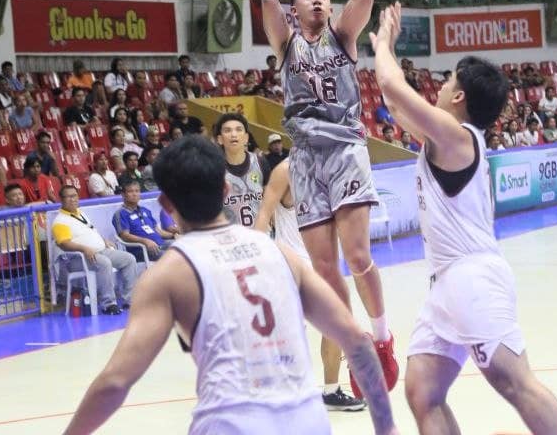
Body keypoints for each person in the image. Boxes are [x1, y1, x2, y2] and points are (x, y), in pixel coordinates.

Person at [62, 136, 398, 435]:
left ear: (164, 204)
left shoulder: (167, 274)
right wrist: (387, 426)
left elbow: (116, 382)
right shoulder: (280, 253)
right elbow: (356, 341)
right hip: (307, 421)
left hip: (232, 422)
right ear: (225, 189)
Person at [372, 2, 557, 435]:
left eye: (446, 82)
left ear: (459, 97)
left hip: (472, 276)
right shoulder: (444, 135)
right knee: (422, 390)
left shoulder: (456, 135)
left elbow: (390, 80)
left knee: (515, 382)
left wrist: (384, 39)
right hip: (445, 281)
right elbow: (392, 98)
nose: (440, 88)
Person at [261, 0, 398, 393]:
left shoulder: (343, 37)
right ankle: (355, 342)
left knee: (358, 255)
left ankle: (382, 338)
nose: (318, 0)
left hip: (344, 150)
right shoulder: (285, 42)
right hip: (304, 157)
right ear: (294, 11)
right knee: (323, 267)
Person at [255, 158, 366, 412]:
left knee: (336, 328)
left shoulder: (334, 166)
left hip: (325, 267)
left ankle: (330, 390)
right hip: (291, 265)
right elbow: (264, 213)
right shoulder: (284, 171)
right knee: (286, 334)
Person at [52, 185, 137, 315]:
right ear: (61, 200)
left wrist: (104, 241)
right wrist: (84, 248)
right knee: (104, 263)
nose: (73, 199)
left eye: (74, 195)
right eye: (68, 197)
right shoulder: (60, 221)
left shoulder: (81, 213)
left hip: (99, 251)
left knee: (128, 259)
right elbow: (64, 244)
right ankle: (109, 304)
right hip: (77, 259)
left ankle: (130, 300)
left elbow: (92, 231)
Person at [216, 113, 270, 227]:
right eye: (227, 130)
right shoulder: (213, 168)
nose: (233, 134)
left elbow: (269, 200)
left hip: (261, 235)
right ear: (220, 139)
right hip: (230, 238)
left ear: (246, 138)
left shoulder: (260, 162)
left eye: (238, 129)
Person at [113, 181, 174, 258]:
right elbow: (125, 236)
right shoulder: (120, 214)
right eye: (130, 191)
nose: (134, 194)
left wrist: (174, 235)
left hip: (161, 243)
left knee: (182, 247)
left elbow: (159, 232)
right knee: (173, 257)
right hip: (142, 249)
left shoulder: (145, 210)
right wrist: (145, 241)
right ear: (123, 195)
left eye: (137, 191)